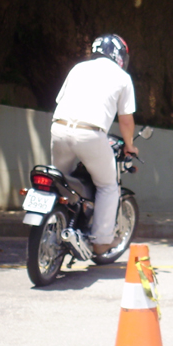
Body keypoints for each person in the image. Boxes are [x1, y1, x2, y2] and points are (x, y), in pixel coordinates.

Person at [51, 34, 138, 255]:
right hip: (90, 134)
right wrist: (130, 145)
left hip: (59, 128)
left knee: (60, 180)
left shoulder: (78, 68)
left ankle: (56, 224)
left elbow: (61, 101)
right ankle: (100, 240)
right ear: (119, 55)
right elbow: (126, 120)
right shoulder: (122, 77)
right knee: (108, 185)